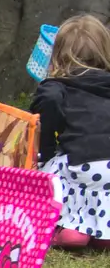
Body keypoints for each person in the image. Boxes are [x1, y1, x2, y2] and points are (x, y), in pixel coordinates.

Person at [30, 13, 110, 249]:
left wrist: (44, 152)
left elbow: (48, 113)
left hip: (80, 164)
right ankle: (104, 235)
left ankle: (72, 231)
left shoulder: (56, 88)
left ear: (57, 55)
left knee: (52, 170)